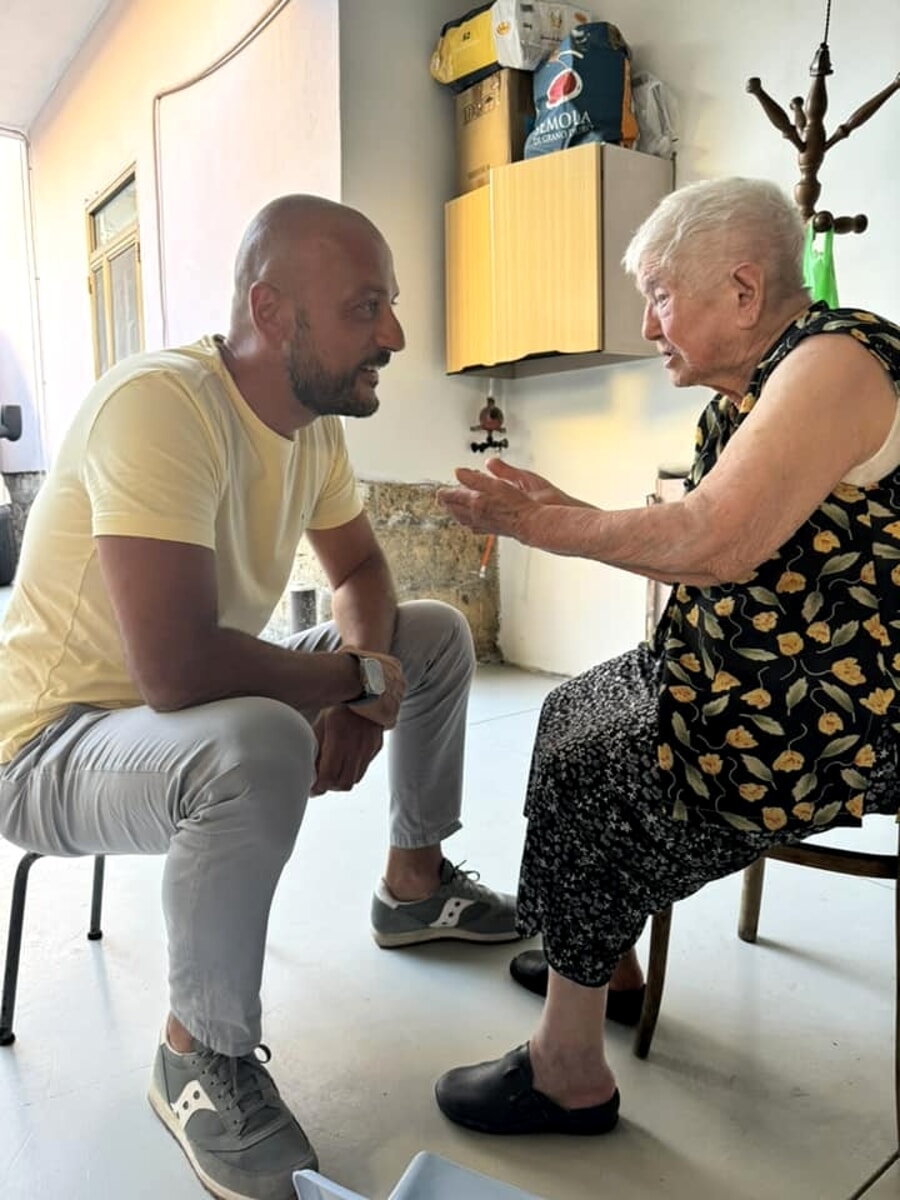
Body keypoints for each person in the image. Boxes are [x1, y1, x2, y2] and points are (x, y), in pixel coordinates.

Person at [0, 194, 519, 1200]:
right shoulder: (160, 406)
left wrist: (369, 690)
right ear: (274, 312)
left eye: (391, 306)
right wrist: (347, 679)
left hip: (170, 715)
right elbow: (178, 670)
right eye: (368, 307)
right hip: (46, 747)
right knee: (254, 744)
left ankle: (414, 887)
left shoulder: (308, 425)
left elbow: (364, 573)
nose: (396, 335)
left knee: (436, 634)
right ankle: (198, 1054)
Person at [433, 176, 900, 1136]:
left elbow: (716, 541)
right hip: (759, 679)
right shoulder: (765, 381)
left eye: (659, 292)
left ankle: (568, 1071)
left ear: (740, 291)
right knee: (571, 712)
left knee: (606, 767)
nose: (647, 323)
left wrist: (551, 525)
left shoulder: (836, 363)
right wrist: (563, 509)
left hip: (843, 713)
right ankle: (604, 964)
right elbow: (718, 538)